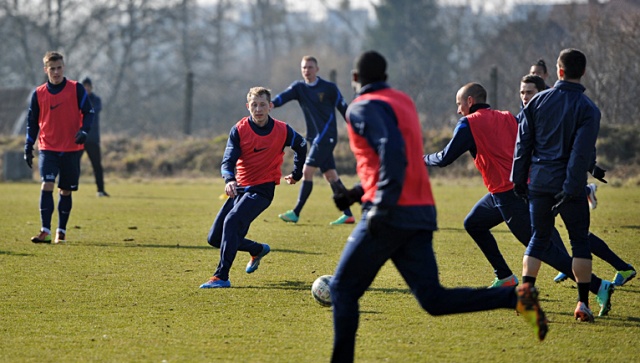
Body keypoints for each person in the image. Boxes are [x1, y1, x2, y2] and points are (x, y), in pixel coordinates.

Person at [329, 51, 547, 363]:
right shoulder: (403, 102)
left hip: (389, 212)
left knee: (342, 290)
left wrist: (379, 206)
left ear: (354, 79)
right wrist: (356, 192)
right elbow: (400, 158)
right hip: (420, 212)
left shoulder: (360, 108)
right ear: (386, 76)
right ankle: (514, 296)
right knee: (433, 299)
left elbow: (390, 151)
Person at [423, 81, 614, 318]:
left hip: (508, 196)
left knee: (543, 250)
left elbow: (443, 158)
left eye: (459, 104)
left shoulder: (468, 124)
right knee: (473, 223)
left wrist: (421, 158)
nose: (458, 110)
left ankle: (598, 285)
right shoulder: (508, 117)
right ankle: (504, 276)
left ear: (470, 101)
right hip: (520, 188)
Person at [520, 75, 636, 287]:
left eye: (530, 92)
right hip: (541, 184)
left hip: (556, 184)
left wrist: (590, 166)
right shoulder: (531, 112)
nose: (525, 96)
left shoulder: (551, 107)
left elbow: (578, 145)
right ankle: (611, 268)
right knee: (560, 236)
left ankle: (593, 274)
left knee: (562, 236)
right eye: (522, 92)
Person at [512, 48, 602, 322]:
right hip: (569, 187)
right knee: (578, 241)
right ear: (583, 72)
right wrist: (573, 186)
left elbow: (522, 144)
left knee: (538, 238)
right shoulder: (589, 109)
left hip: (539, 182)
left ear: (559, 71)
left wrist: (518, 179)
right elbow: (580, 153)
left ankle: (526, 298)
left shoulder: (536, 102)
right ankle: (582, 304)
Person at [199, 87, 307, 288]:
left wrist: (297, 173)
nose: (258, 109)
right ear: (248, 106)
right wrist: (229, 179)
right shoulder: (239, 130)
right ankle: (257, 249)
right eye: (254, 105)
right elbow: (227, 160)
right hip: (240, 188)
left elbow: (301, 145)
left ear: (270, 106)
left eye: (263, 105)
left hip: (263, 190)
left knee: (231, 222)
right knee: (215, 238)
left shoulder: (282, 130)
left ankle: (221, 277)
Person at [273, 56, 355, 225]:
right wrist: (269, 104)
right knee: (331, 175)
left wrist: (357, 129)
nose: (307, 70)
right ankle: (348, 214)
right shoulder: (299, 88)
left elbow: (344, 109)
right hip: (315, 138)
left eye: (310, 67)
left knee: (307, 172)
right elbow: (281, 98)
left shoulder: (329, 88)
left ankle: (295, 212)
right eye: (304, 67)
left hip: (327, 136)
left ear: (317, 69)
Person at [24, 51, 94, 244]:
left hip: (71, 148)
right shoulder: (38, 94)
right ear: (46, 70)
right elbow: (32, 122)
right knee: (47, 184)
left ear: (64, 67)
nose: (56, 72)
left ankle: (60, 231)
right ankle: (44, 230)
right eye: (52, 69)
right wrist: (28, 145)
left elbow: (89, 113)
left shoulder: (76, 89)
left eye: (59, 68)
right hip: (48, 147)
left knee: (65, 190)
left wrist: (85, 131)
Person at [81, 77, 109, 197]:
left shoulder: (96, 100)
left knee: (97, 165)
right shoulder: (77, 99)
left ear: (91, 87)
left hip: (92, 138)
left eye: (88, 86)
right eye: (84, 86)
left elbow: (93, 111)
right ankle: (66, 187)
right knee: (72, 163)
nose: (86, 88)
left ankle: (100, 190)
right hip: (79, 137)